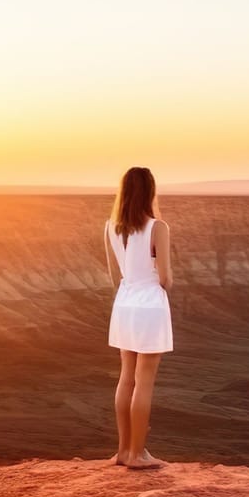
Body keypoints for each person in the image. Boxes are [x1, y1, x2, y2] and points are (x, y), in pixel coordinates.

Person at [103, 166, 172, 468]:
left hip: (124, 303)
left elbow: (112, 274)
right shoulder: (158, 227)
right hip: (149, 305)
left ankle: (122, 451)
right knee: (144, 382)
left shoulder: (110, 227)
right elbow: (166, 279)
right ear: (150, 192)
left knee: (126, 378)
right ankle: (137, 454)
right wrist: (158, 271)